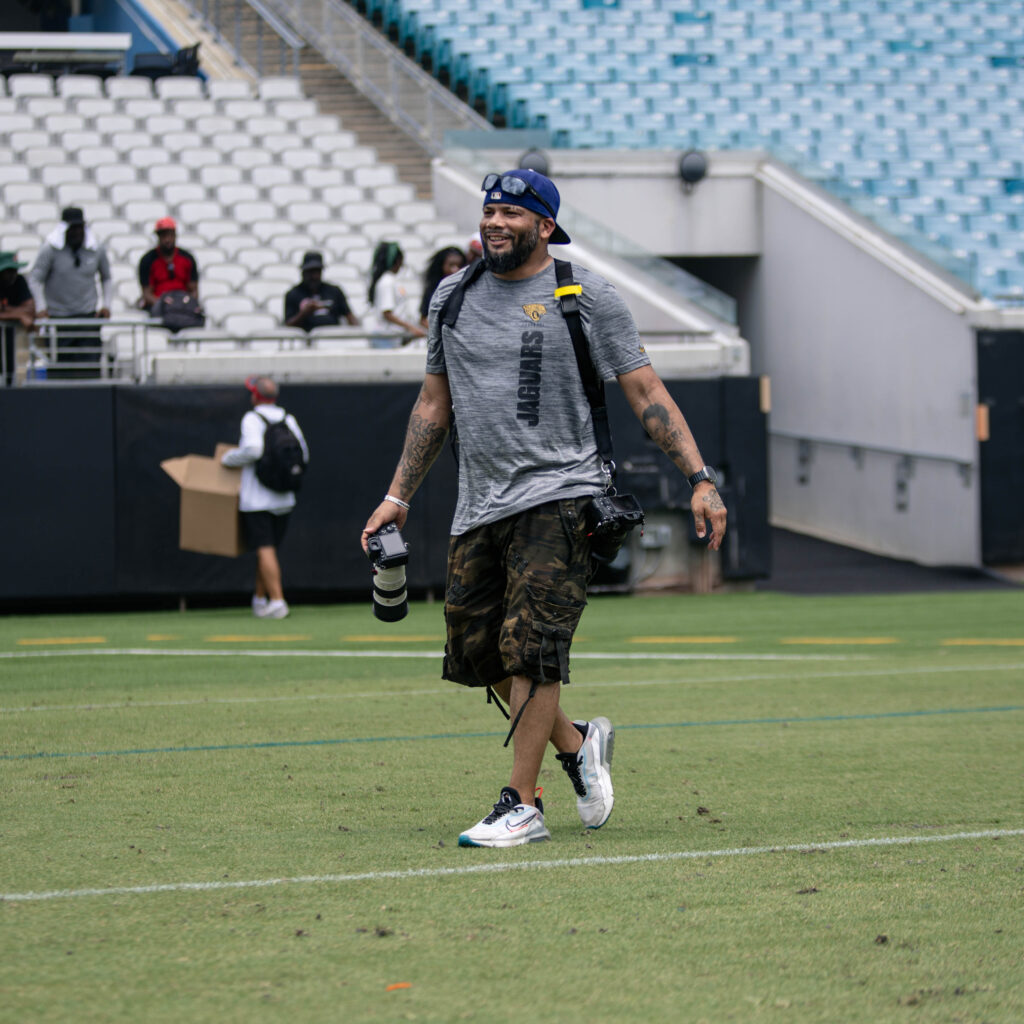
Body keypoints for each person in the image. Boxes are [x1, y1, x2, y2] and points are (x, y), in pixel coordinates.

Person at [361, 169, 727, 848]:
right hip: (479, 504)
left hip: (563, 494)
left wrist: (699, 478)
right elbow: (433, 405)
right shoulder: (450, 296)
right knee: (477, 653)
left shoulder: (584, 294)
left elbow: (646, 392)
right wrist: (396, 497)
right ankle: (578, 743)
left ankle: (521, 803)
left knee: (532, 649)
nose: (494, 222)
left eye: (511, 213)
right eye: (489, 211)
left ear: (545, 226)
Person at [221, 375, 309, 620]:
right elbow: (304, 455)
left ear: (255, 396)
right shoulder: (288, 419)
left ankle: (278, 602)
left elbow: (253, 449)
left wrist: (228, 459)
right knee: (268, 550)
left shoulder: (252, 418)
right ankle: (260, 601)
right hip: (284, 498)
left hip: (257, 499)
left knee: (264, 549)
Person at [27, 207, 112, 378]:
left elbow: (106, 277)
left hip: (87, 317)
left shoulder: (96, 249)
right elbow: (35, 279)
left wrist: (106, 304)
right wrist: (41, 308)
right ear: (64, 229)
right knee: (60, 370)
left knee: (89, 369)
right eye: (72, 228)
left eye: (80, 227)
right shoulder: (50, 249)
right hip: (59, 318)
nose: (77, 232)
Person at [366, 241, 426, 345]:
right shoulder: (387, 282)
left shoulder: (391, 280)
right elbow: (387, 313)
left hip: (394, 336)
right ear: (397, 260)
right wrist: (411, 328)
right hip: (387, 337)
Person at [138, 216, 200, 314]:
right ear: (158, 237)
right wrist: (163, 305)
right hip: (160, 307)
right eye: (163, 236)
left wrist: (184, 304)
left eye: (170, 235)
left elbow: (193, 291)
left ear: (175, 235)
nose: (167, 239)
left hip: (183, 306)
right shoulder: (148, 260)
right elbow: (147, 294)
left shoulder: (187, 258)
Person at [284, 251, 359, 331]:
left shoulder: (334, 291)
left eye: (317, 271)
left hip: (332, 335)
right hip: (306, 337)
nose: (314, 276)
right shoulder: (293, 294)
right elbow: (288, 326)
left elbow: (349, 315)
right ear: (303, 272)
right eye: (310, 272)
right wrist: (305, 313)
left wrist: (357, 331)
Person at [0, 250, 35, 386]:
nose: (13, 274)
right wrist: (20, 314)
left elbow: (30, 309)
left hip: (10, 341)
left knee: (11, 375)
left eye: (15, 270)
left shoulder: (19, 281)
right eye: (9, 271)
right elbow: (25, 312)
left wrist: (4, 309)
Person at [419, 245, 467, 327]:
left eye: (459, 266)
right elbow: (423, 319)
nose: (455, 270)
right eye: (451, 265)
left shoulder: (468, 289)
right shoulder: (433, 290)